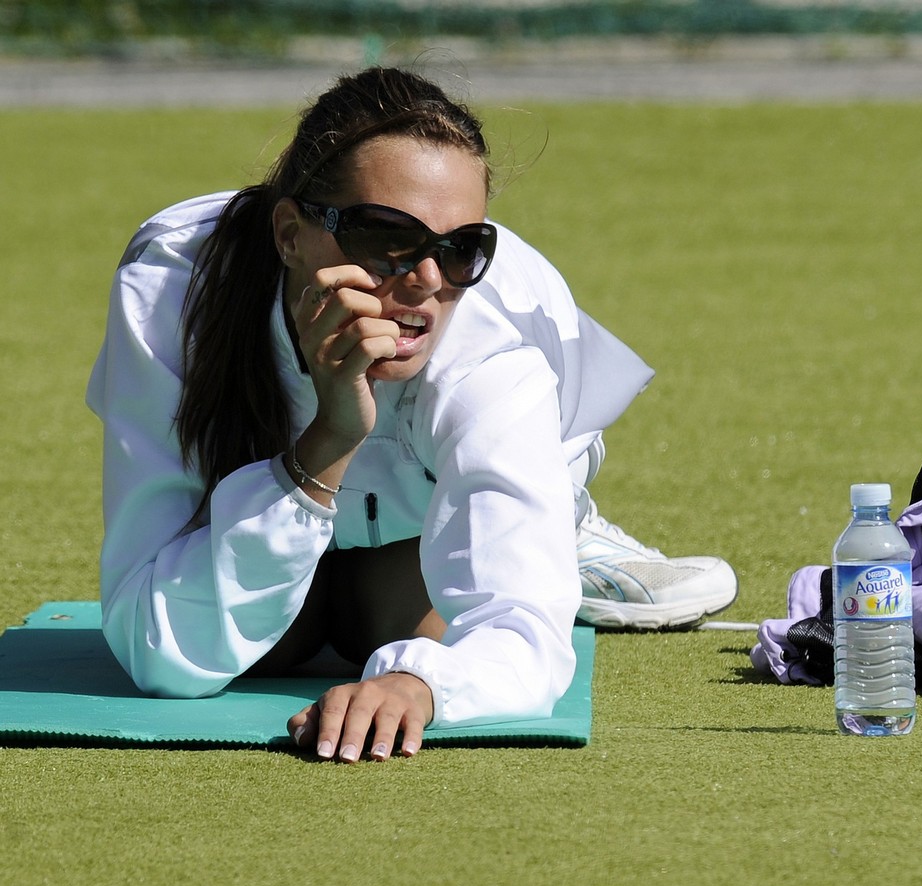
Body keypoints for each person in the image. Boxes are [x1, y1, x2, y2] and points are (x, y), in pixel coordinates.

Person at [86, 66, 737, 762]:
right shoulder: (172, 289)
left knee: (395, 620)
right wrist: (328, 440)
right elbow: (154, 645)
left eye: (462, 248)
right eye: (385, 235)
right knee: (284, 631)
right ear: (290, 234)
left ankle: (557, 526)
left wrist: (422, 684)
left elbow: (518, 636)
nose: (427, 281)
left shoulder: (495, 341)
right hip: (287, 493)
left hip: (418, 525)